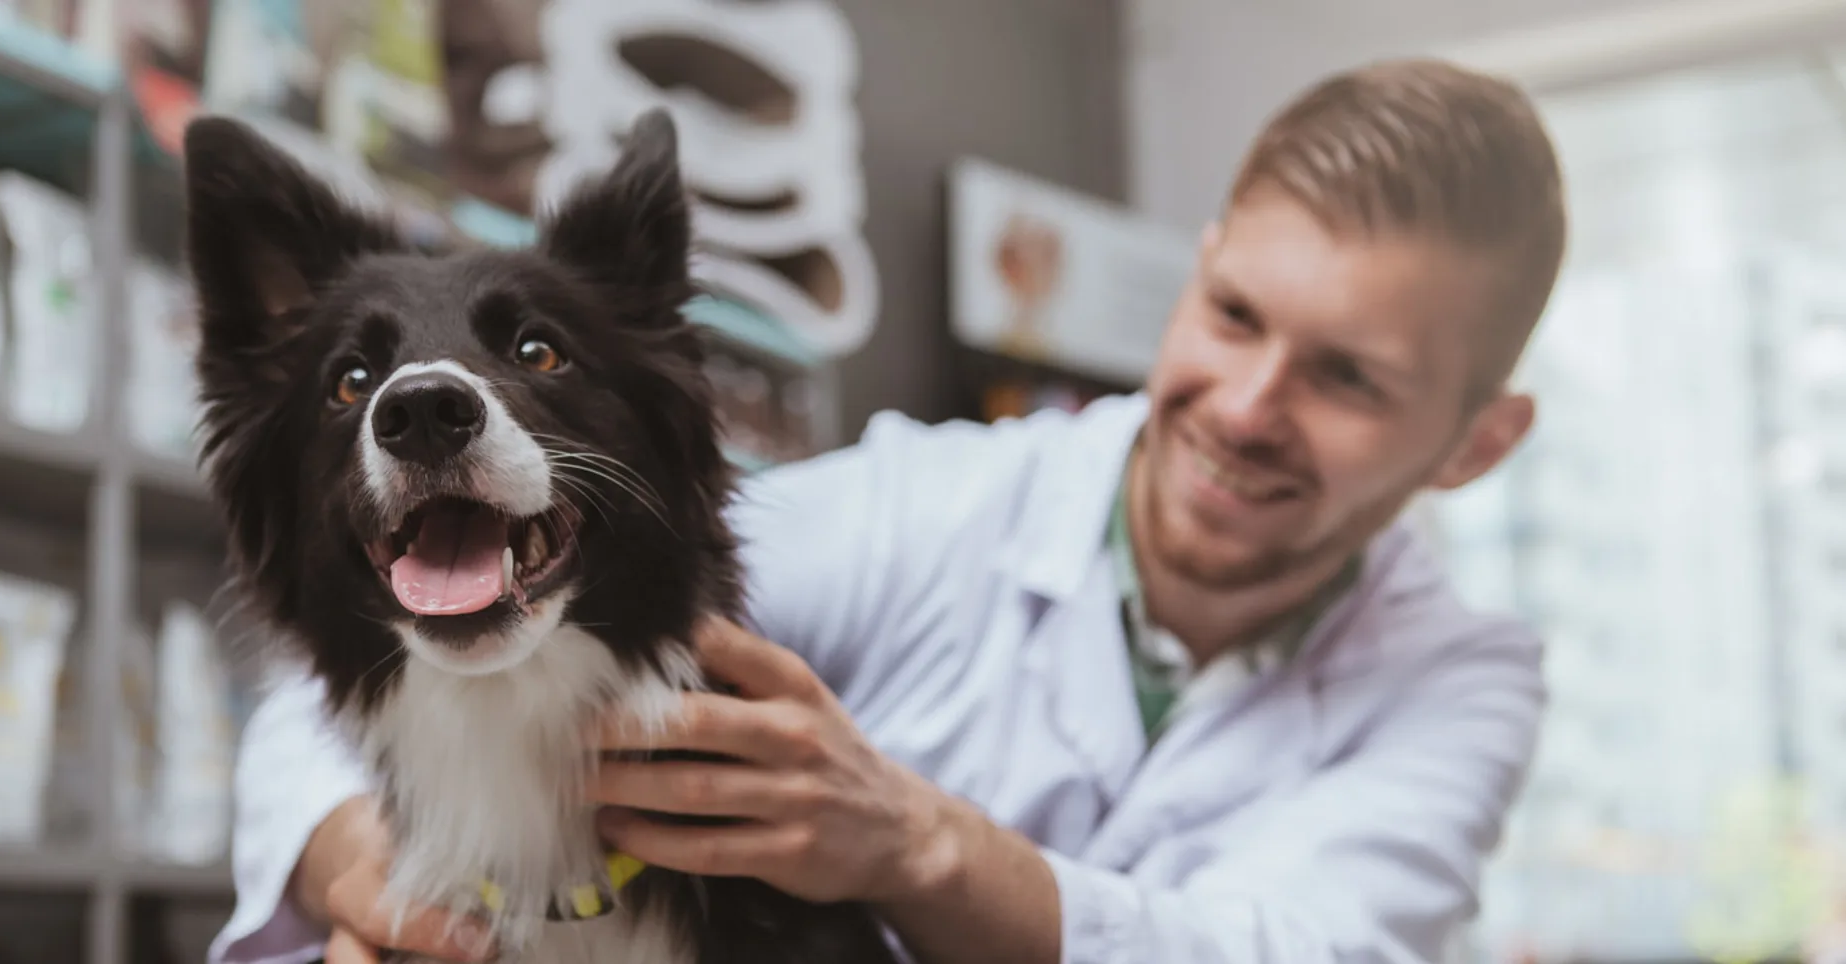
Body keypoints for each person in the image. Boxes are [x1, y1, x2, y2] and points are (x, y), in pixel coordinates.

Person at [210, 55, 1567, 964]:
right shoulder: (927, 499)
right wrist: (367, 871)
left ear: (1474, 444)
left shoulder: (1462, 682)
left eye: (1346, 377)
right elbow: (334, 693)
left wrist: (919, 847)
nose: (1249, 404)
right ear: (1197, 273)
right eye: (1234, 315)